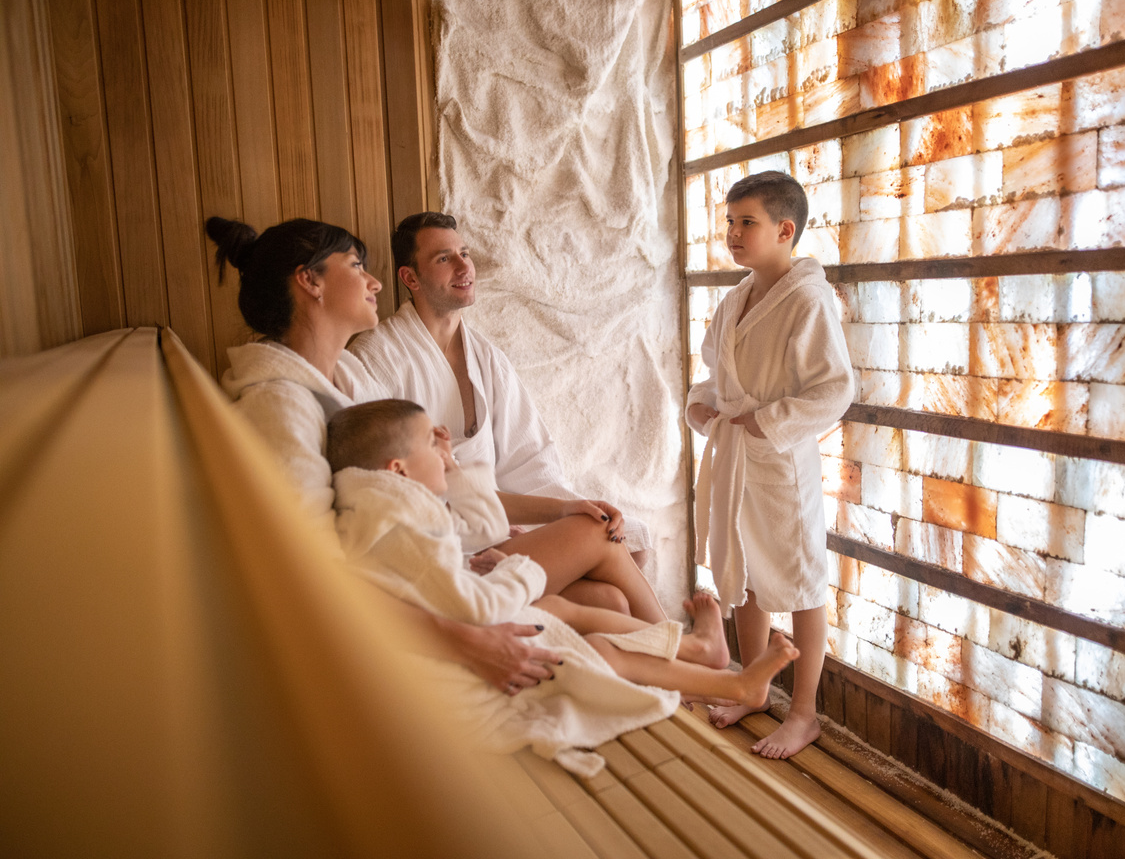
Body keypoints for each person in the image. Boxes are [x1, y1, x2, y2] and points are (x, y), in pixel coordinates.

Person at [205, 216, 649, 696]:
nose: (373, 281)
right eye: (357, 265)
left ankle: (671, 688)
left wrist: (553, 508)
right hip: (404, 589)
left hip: (436, 556)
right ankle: (697, 668)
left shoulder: (348, 377)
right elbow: (309, 571)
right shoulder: (279, 406)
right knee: (596, 533)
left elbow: (430, 482)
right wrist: (465, 643)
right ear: (309, 280)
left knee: (606, 599)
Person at [325, 398, 794, 773]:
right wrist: (518, 569)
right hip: (458, 657)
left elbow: (461, 534)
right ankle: (717, 671)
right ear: (397, 470)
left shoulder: (385, 515)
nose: (445, 451)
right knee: (593, 601)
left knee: (603, 603)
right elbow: (466, 593)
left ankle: (709, 664)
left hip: (459, 606)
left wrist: (453, 471)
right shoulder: (402, 526)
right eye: (433, 444)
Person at [348, 212, 657, 575]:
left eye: (465, 253)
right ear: (410, 277)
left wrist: (567, 508)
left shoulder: (486, 358)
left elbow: (527, 458)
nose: (464, 267)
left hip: (497, 518)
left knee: (631, 540)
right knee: (604, 561)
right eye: (444, 259)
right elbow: (383, 478)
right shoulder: (377, 357)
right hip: (438, 533)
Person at [686, 171, 854, 760]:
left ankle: (804, 713)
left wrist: (767, 423)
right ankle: (752, 686)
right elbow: (718, 376)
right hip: (737, 456)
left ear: (785, 230)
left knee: (803, 582)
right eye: (729, 222)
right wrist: (704, 406)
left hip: (780, 461)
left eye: (746, 222)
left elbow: (835, 389)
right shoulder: (737, 298)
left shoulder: (807, 299)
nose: (733, 233)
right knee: (746, 574)